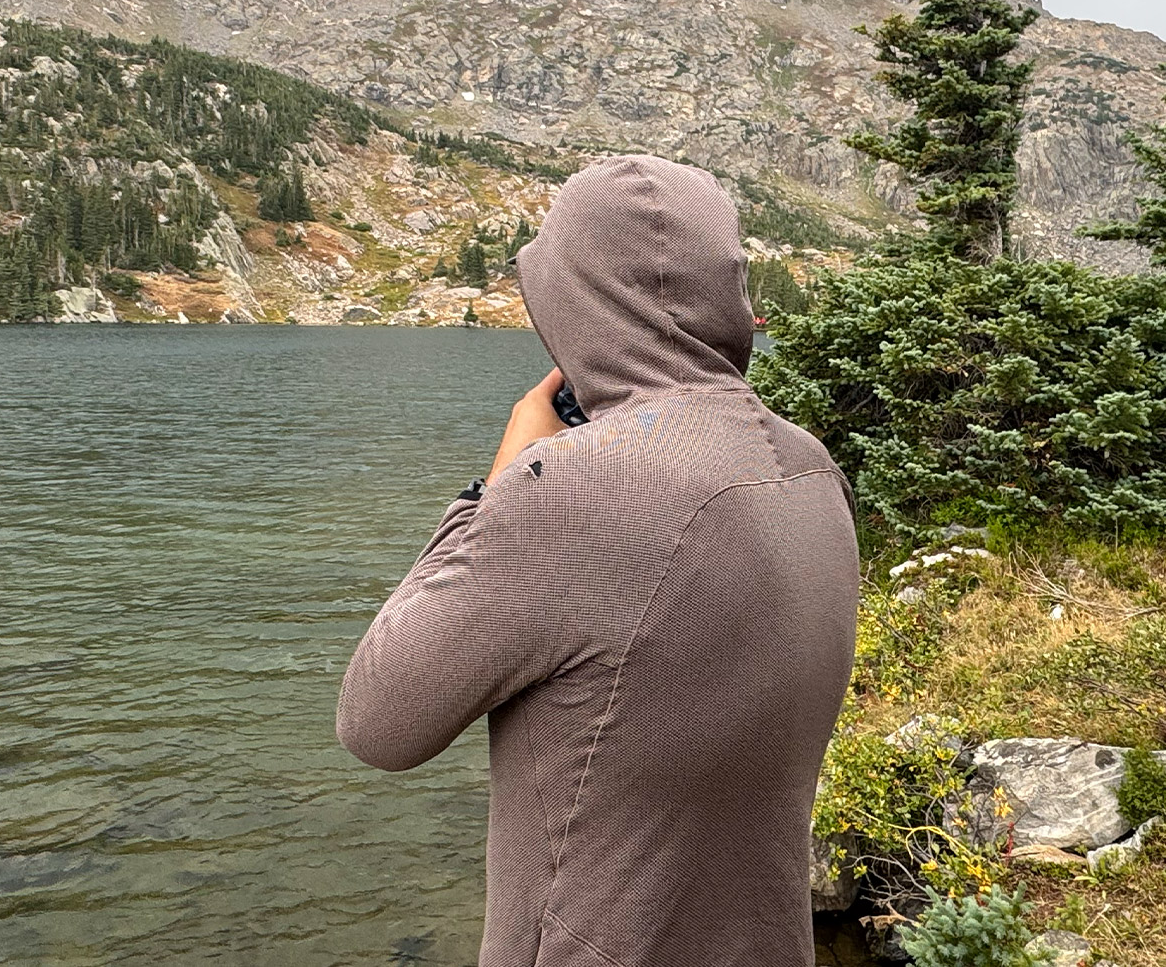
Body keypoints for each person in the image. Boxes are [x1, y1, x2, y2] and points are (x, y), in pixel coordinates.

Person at [337, 155, 860, 967]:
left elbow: (377, 721)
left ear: (571, 303)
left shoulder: (567, 492)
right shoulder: (810, 466)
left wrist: (495, 492)